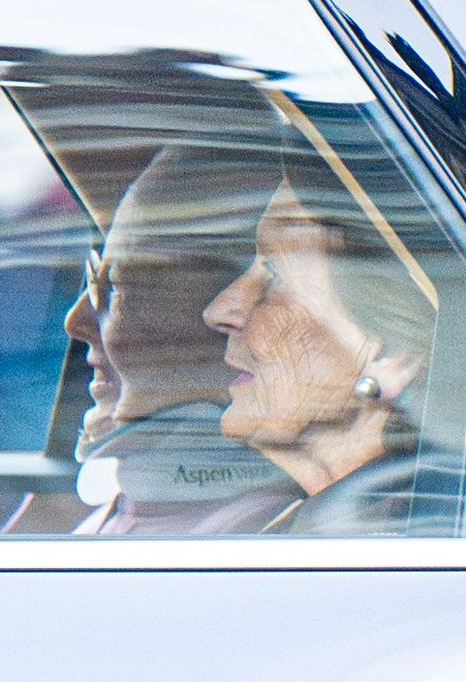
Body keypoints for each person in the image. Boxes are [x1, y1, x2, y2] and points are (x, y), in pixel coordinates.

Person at [201, 123, 456, 534]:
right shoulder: (308, 540)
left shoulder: (396, 555)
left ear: (394, 355)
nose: (218, 311)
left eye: (273, 272)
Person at [63, 145, 302, 534]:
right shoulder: (129, 513)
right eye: (93, 279)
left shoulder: (247, 544)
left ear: (232, 319)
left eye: (119, 288)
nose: (77, 321)